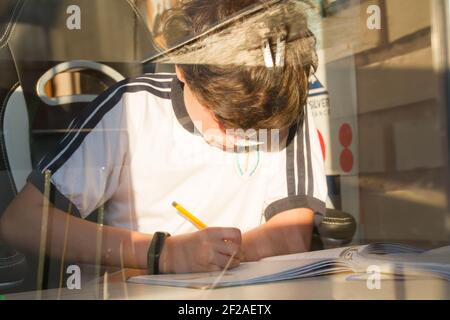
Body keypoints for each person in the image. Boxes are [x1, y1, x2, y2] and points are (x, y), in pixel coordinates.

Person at [0, 0, 327, 275]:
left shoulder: (281, 106)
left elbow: (291, 233)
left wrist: (216, 258)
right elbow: (22, 221)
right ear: (182, 69)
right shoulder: (133, 108)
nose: (240, 137)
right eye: (223, 119)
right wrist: (164, 254)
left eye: (258, 128)